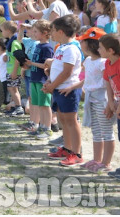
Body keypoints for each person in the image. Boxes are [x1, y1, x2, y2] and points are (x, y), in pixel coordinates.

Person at [45, 15, 84, 167]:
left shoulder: (71, 49)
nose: (51, 34)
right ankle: (67, 149)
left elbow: (67, 72)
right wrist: (49, 82)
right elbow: (57, 69)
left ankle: (77, 153)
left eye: (53, 30)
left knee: (71, 121)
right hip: (58, 89)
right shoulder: (61, 47)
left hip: (68, 90)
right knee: (63, 120)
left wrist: (53, 85)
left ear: (61, 32)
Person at [76, 28, 115, 173]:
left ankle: (106, 163)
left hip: (102, 99)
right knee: (96, 131)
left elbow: (108, 82)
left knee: (107, 131)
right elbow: (86, 78)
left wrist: (110, 103)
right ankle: (97, 159)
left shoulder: (104, 62)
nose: (81, 44)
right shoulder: (87, 60)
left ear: (91, 44)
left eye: (83, 41)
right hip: (91, 99)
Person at [23, 20, 54, 138]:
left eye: (36, 31)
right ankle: (40, 126)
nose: (33, 34)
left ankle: (47, 128)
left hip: (42, 79)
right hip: (34, 78)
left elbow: (46, 65)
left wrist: (32, 64)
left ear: (45, 33)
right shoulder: (38, 45)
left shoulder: (47, 47)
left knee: (45, 105)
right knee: (38, 104)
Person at [99, 34, 120, 180]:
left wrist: (119, 108)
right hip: (118, 103)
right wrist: (110, 103)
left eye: (101, 48)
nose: (98, 50)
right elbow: (108, 83)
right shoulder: (108, 63)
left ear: (111, 50)